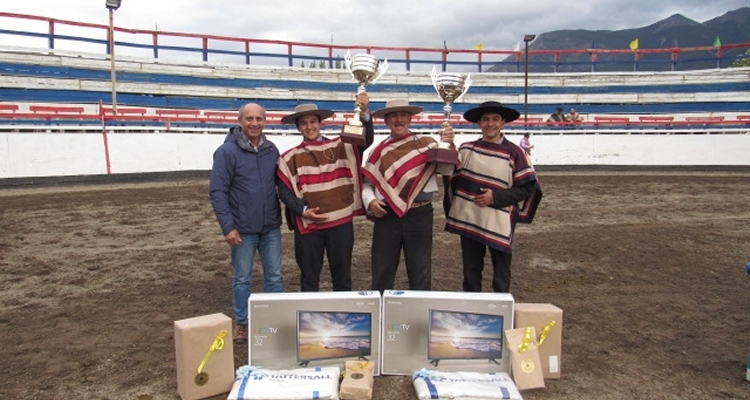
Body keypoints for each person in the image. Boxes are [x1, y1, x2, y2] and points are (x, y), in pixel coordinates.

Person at [276, 94, 375, 292]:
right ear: (298, 127)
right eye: (303, 123)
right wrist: (302, 210)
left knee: (343, 277)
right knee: (309, 278)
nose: (309, 126)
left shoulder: (341, 145)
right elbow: (284, 191)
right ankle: (310, 320)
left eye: (313, 121)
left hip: (340, 224)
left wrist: (364, 114)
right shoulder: (289, 158)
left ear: (320, 124)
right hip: (309, 225)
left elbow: (366, 139)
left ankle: (343, 318)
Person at [444, 101, 542, 293]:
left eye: (495, 119)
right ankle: (472, 312)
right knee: (471, 272)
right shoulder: (466, 149)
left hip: (500, 220)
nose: (490, 124)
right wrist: (447, 146)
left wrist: (495, 197)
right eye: (486, 119)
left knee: (501, 273)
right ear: (479, 123)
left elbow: (526, 189)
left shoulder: (515, 152)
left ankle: (501, 311)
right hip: (470, 219)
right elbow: (452, 178)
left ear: (503, 122)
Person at [362, 99, 456, 293]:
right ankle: (381, 315)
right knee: (382, 270)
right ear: (386, 120)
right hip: (387, 215)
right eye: (394, 115)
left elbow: (447, 170)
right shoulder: (377, 151)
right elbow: (367, 184)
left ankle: (418, 318)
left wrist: (448, 145)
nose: (399, 119)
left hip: (420, 215)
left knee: (420, 271)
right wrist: (370, 201)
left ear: (410, 118)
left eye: (403, 115)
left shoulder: (428, 144)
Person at [209, 103, 284, 344]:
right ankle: (242, 322)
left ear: (265, 121)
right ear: (240, 121)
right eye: (249, 119)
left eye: (259, 119)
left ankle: (274, 318)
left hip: (270, 225)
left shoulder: (271, 149)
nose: (254, 123)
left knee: (275, 276)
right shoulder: (226, 152)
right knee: (242, 277)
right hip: (242, 229)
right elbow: (218, 191)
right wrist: (228, 227)